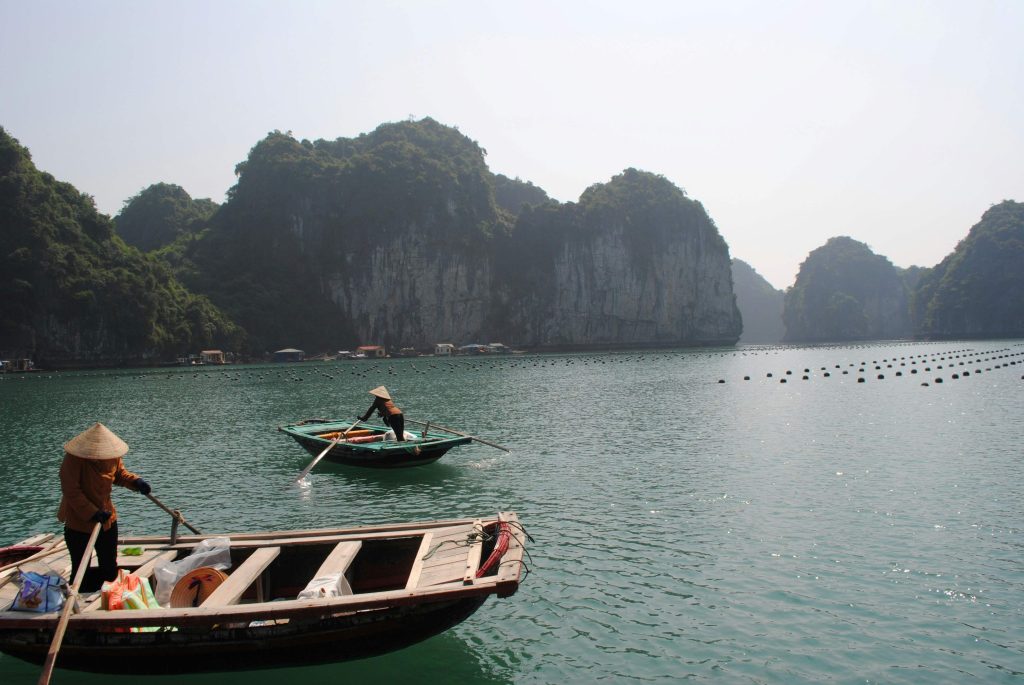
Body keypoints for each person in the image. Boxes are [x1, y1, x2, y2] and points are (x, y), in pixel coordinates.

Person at [57, 422, 152, 592]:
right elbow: (71, 490)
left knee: (109, 566)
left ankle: (110, 602)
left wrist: (136, 482)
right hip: (79, 523)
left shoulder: (111, 456)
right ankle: (77, 607)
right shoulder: (74, 459)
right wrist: (93, 513)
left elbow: (119, 474)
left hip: (107, 519)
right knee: (81, 568)